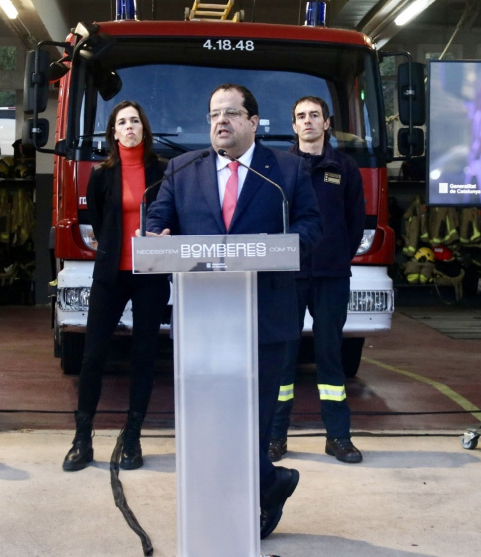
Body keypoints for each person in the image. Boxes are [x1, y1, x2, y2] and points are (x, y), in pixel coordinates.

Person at [146, 84, 322, 539]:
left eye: (230, 113)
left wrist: (280, 247)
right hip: (204, 318)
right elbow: (157, 220)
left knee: (253, 421)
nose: (220, 122)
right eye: (213, 115)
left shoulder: (286, 170)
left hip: (266, 315)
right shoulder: (183, 169)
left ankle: (243, 506)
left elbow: (310, 225)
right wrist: (157, 236)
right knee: (210, 422)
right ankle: (268, 484)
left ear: (253, 121)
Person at [62, 101, 171, 472]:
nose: (129, 127)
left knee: (144, 356)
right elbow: (98, 219)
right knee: (93, 356)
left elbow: (171, 215)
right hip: (110, 275)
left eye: (135, 121)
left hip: (150, 276)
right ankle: (82, 438)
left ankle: (132, 437)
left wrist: (164, 234)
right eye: (122, 122)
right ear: (113, 132)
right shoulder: (101, 174)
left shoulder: (163, 170)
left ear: (144, 128)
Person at [269, 96, 365, 464]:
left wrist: (336, 255)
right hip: (287, 276)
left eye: (314, 115)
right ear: (293, 125)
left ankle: (338, 438)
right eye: (301, 116)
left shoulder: (345, 168)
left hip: (331, 277)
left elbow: (355, 222)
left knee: (329, 357)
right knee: (283, 358)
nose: (307, 121)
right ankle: (275, 437)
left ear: (327, 123)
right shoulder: (279, 167)